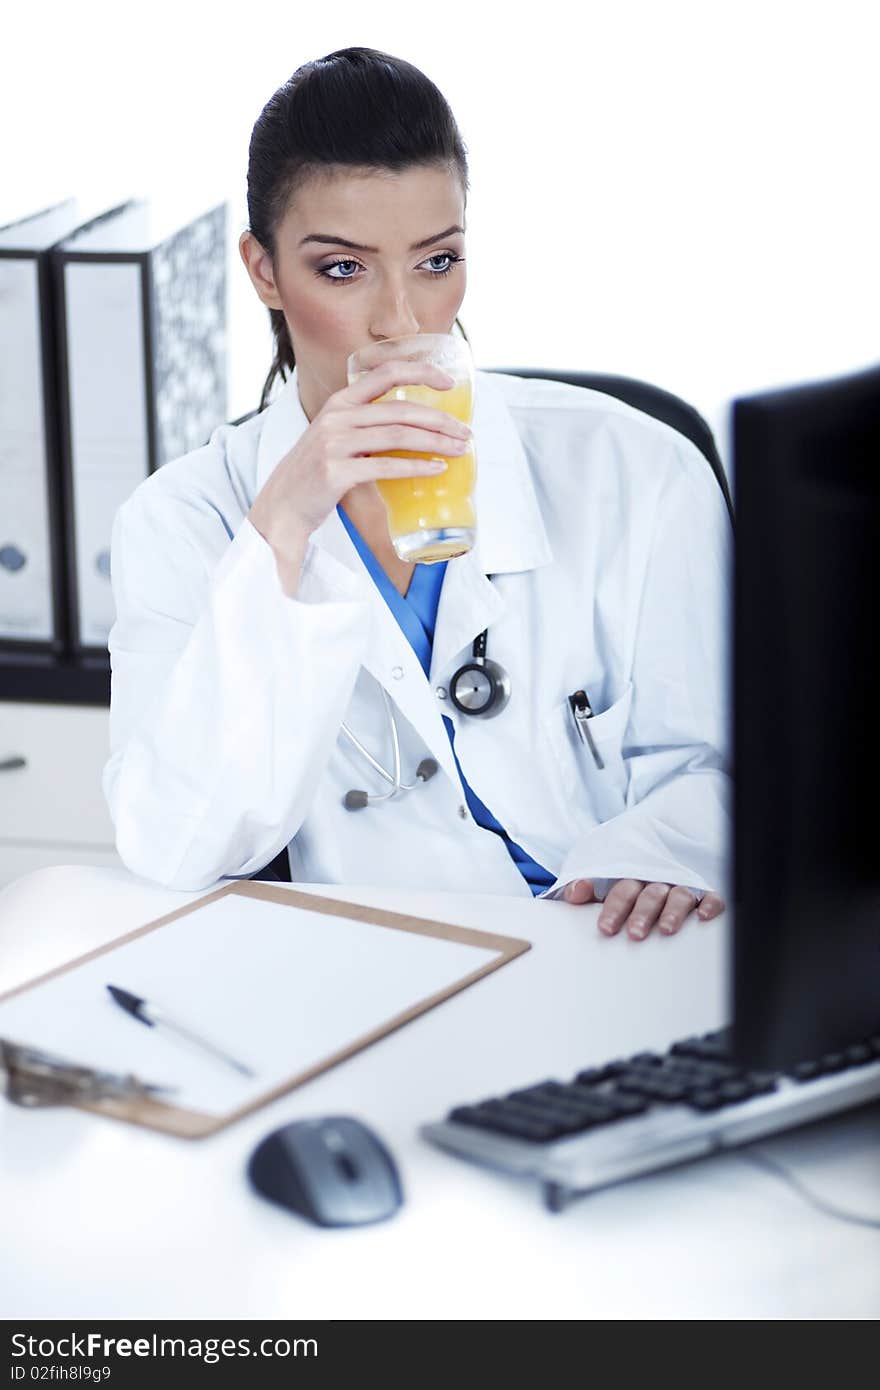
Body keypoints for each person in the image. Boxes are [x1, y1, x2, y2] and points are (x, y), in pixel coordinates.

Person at [103, 46, 731, 942]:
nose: (401, 318)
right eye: (344, 269)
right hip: (382, 968)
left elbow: (727, 762)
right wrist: (280, 528)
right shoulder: (183, 521)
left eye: (437, 261)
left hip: (614, 949)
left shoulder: (636, 467)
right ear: (264, 272)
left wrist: (663, 851)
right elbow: (177, 843)